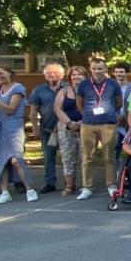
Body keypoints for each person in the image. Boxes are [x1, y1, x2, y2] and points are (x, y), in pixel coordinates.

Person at [76, 58, 124, 200]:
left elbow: (118, 103)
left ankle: (111, 185)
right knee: (87, 157)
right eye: (94, 68)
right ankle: (87, 187)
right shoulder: (84, 84)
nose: (97, 71)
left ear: (105, 69)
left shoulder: (113, 84)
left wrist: (108, 113)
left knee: (109, 156)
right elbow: (79, 103)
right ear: (90, 69)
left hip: (108, 124)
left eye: (100, 68)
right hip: (88, 124)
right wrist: (87, 114)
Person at [0, 66, 39, 204]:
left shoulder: (18, 88)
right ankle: (4, 192)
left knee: (15, 160)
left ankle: (30, 189)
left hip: (13, 129)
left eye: (1, 73)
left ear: (10, 73)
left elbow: (10, 110)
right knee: (2, 161)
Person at [28, 61, 65, 193]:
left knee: (69, 157)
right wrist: (34, 127)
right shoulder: (39, 90)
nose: (51, 75)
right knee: (49, 157)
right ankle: (50, 183)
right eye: (48, 73)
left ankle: (69, 182)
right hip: (47, 129)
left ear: (62, 74)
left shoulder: (68, 88)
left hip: (66, 129)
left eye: (54, 72)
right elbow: (33, 111)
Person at [53, 65, 86, 197]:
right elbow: (57, 108)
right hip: (66, 128)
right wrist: (69, 123)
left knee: (86, 158)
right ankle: (69, 186)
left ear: (86, 77)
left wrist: (82, 122)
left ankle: (86, 186)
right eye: (73, 75)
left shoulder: (90, 91)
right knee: (68, 158)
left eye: (79, 75)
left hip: (86, 127)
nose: (76, 77)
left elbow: (93, 109)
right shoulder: (64, 91)